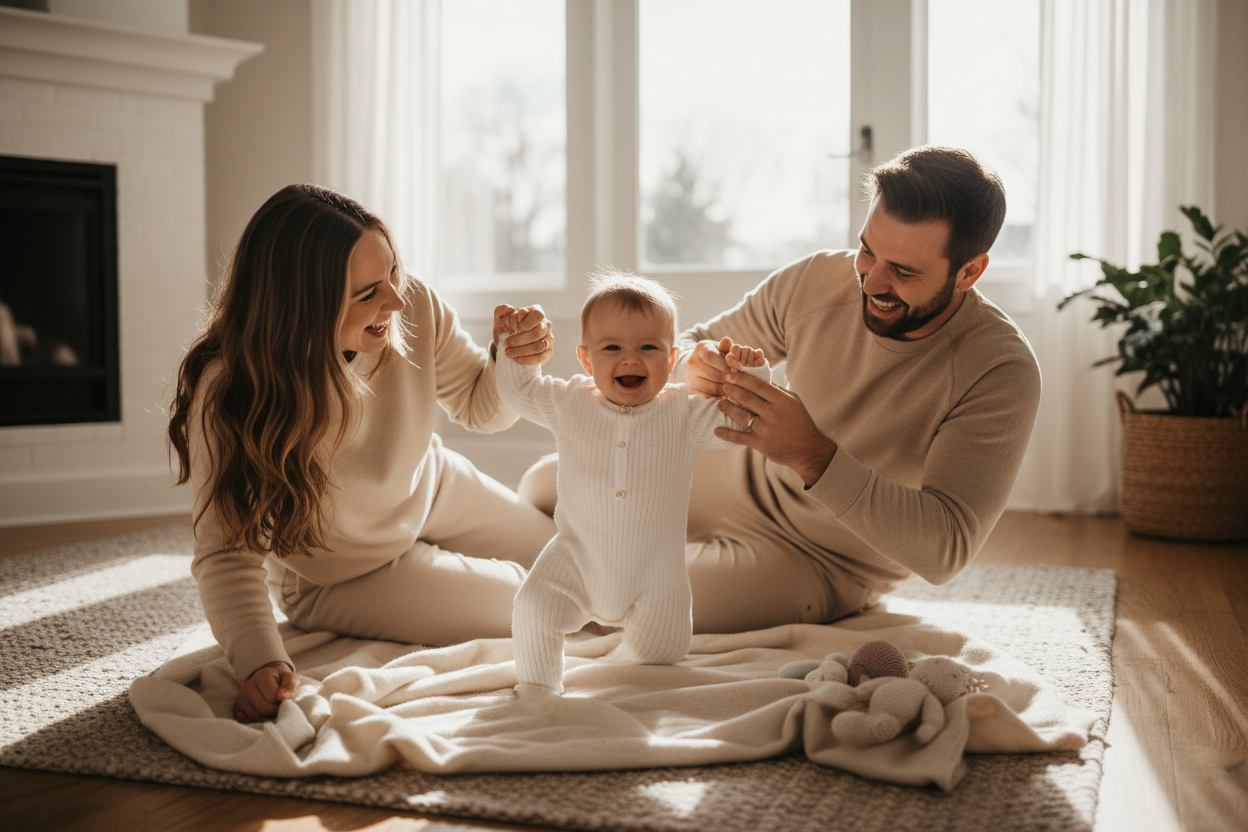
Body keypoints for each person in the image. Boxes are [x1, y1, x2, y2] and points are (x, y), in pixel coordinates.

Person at [519, 145, 1042, 635]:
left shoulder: (999, 370)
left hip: (820, 556)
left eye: (903, 272)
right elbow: (688, 343)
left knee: (620, 603)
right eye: (867, 252)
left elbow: (945, 550)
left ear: (970, 271)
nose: (872, 282)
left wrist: (815, 456)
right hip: (737, 475)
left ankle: (471, 558)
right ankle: (476, 527)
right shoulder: (818, 280)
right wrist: (695, 368)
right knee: (545, 484)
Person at [167, 184, 557, 723]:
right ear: (302, 305)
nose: (396, 300)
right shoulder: (231, 391)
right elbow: (227, 554)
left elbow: (480, 407)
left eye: (393, 273)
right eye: (368, 292)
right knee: (547, 603)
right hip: (338, 573)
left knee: (573, 557)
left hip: (432, 487)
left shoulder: (410, 303)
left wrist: (512, 361)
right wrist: (259, 662)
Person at [496, 271, 769, 693]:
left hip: (656, 573)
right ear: (587, 360)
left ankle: (622, 667)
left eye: (648, 347)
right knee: (533, 607)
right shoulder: (570, 401)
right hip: (577, 557)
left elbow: (740, 420)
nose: (630, 359)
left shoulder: (682, 412)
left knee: (663, 650)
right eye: (612, 348)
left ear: (672, 356)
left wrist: (754, 373)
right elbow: (520, 392)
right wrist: (514, 351)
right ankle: (538, 689)